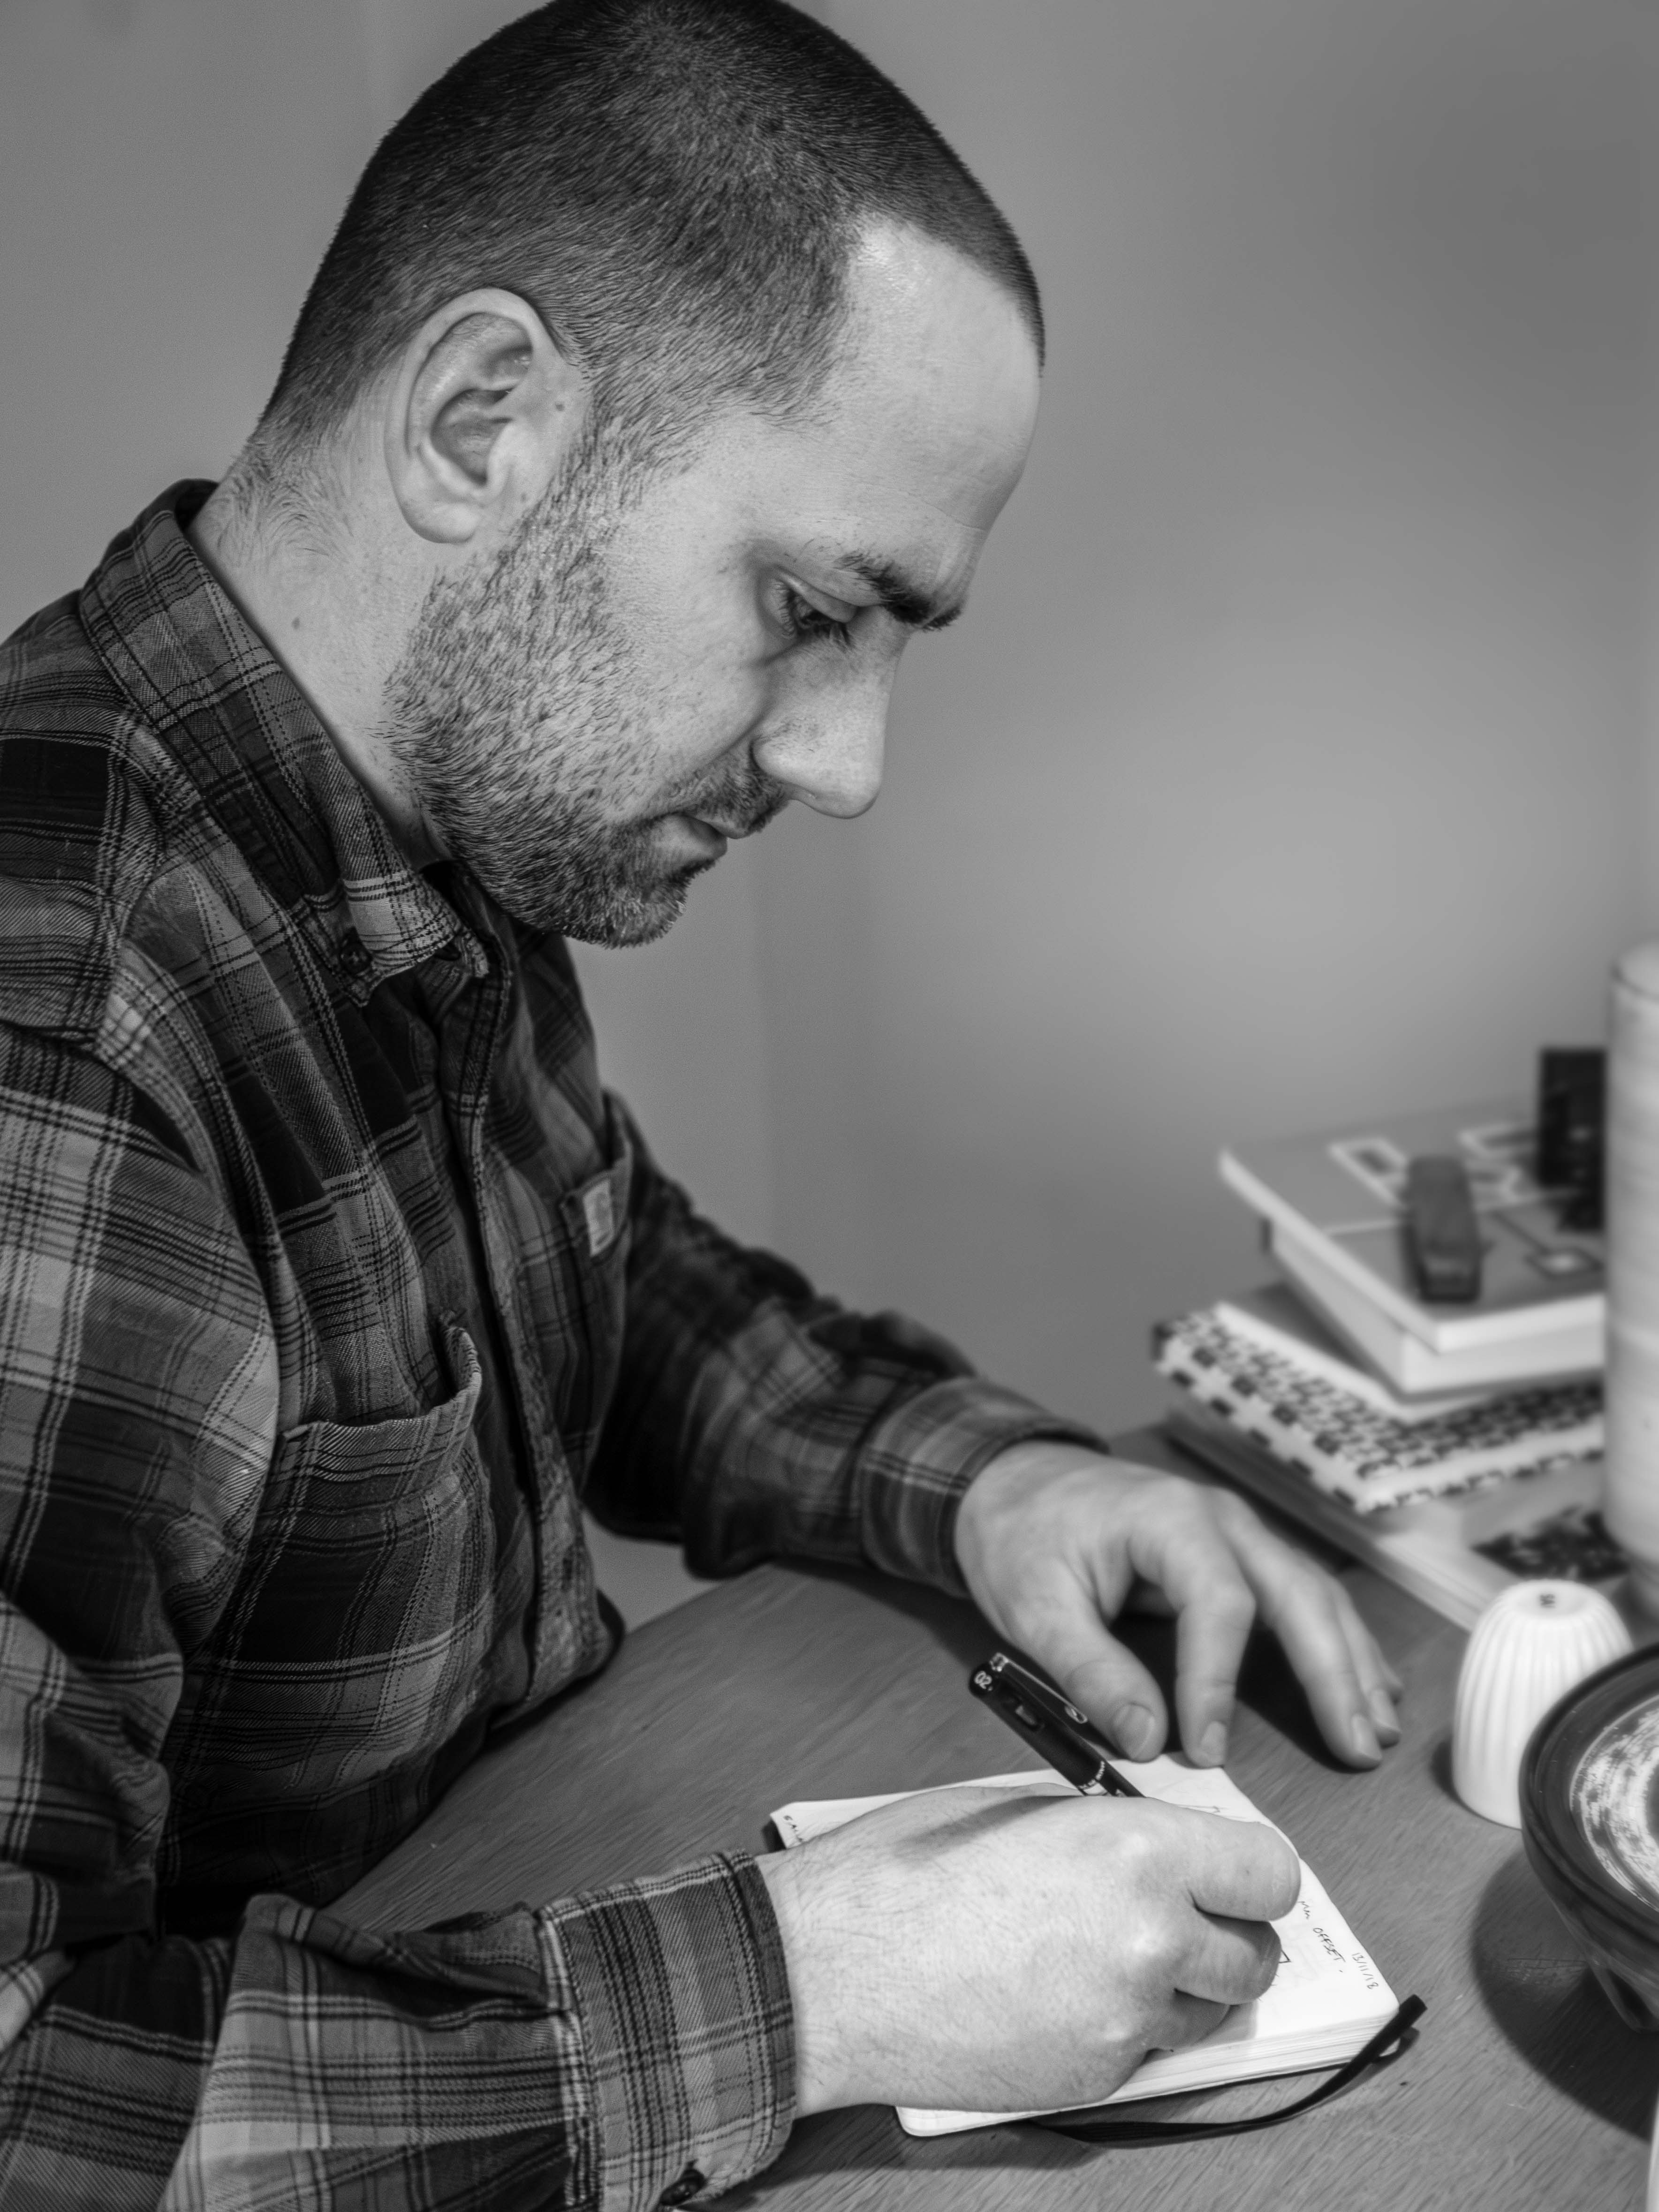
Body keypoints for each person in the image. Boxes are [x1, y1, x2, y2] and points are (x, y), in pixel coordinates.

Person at [0, 2, 1401, 2204]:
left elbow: (591, 1283)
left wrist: (978, 1480)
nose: (848, 767)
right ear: (482, 424)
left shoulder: (421, 811)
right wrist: (812, 1994)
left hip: (549, 1897)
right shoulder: (56, 1052)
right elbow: (28, 2094)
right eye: (807, 611)